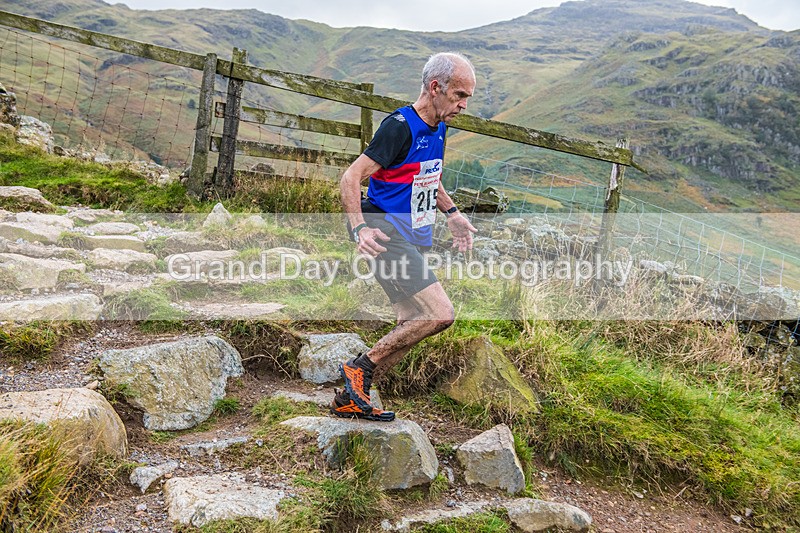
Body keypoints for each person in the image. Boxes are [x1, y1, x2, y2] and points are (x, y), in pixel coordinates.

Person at [330, 52, 478, 422]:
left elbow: (426, 174)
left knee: (411, 317)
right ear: (435, 87)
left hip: (411, 234)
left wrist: (453, 213)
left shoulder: (440, 125)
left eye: (467, 98)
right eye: (459, 95)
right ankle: (358, 370)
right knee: (441, 314)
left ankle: (353, 395)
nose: (463, 105)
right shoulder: (399, 126)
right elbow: (351, 178)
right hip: (384, 232)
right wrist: (358, 229)